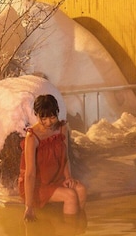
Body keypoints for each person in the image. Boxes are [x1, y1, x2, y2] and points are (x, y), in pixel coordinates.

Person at [18, 94, 87, 222]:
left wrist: (68, 178)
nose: (48, 122)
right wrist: (29, 206)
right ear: (36, 115)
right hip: (37, 184)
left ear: (57, 113)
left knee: (81, 190)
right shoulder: (32, 137)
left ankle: (78, 226)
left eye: (52, 117)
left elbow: (65, 157)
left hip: (56, 178)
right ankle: (69, 234)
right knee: (70, 196)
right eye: (43, 118)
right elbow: (30, 173)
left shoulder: (62, 128)